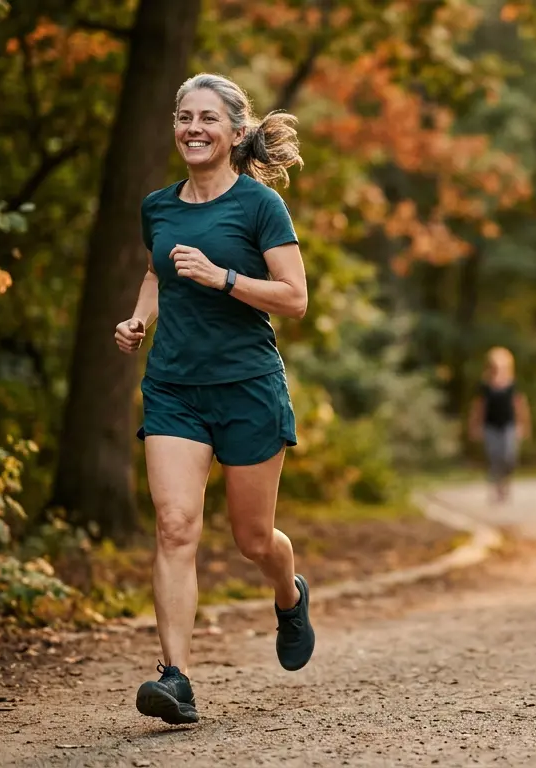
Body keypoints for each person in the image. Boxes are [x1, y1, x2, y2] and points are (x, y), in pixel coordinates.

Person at [112, 73, 313, 726]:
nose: (193, 128)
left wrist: (224, 277)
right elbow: (156, 271)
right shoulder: (158, 207)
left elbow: (295, 298)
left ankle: (288, 593)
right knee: (174, 527)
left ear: (234, 131)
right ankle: (175, 678)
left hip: (248, 388)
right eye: (183, 117)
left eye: (207, 118)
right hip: (174, 388)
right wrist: (139, 319)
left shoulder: (259, 206)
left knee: (253, 539)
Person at [467, 347, 531, 504]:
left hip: (509, 425)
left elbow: (520, 406)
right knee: (494, 457)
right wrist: (474, 425)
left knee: (509, 456)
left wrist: (524, 424)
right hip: (491, 426)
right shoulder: (484, 386)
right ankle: (496, 487)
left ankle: (506, 482)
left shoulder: (513, 385)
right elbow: (478, 407)